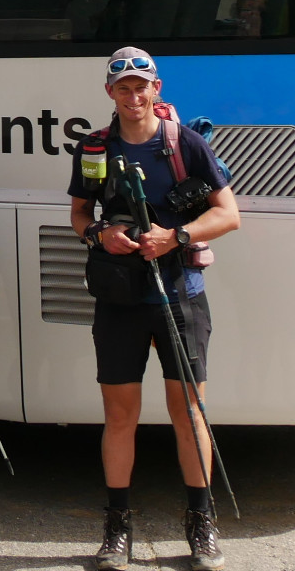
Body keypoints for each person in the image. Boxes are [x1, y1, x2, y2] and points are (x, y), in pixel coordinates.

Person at [69, 48, 239, 571]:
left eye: (142, 86)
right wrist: (102, 232)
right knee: (120, 417)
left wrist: (175, 236)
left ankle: (201, 524)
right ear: (110, 93)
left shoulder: (183, 143)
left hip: (180, 294)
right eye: (124, 87)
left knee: (188, 414)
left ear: (156, 88)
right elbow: (79, 214)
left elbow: (228, 214)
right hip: (120, 299)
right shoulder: (95, 147)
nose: (134, 95)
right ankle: (116, 528)